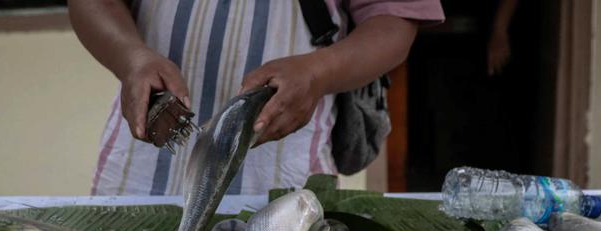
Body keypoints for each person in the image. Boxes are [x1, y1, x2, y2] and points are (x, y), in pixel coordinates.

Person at [70, 0, 444, 196]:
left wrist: (317, 72)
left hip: (283, 171)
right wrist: (132, 59)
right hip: (144, 166)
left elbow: (394, 22)